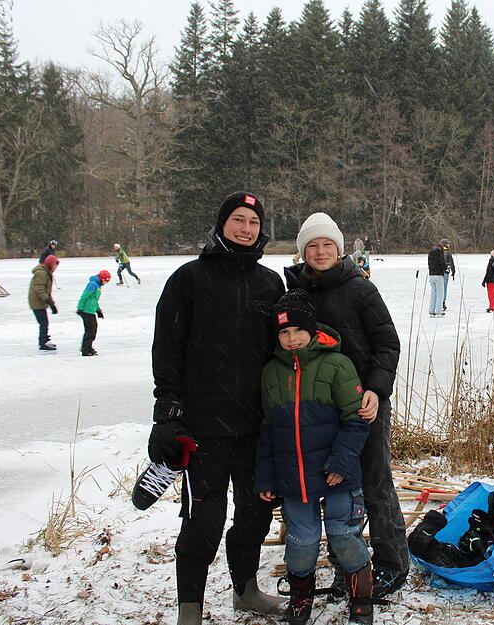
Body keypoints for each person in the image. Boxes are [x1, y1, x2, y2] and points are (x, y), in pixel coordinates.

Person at [149, 191, 286, 625]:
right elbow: (167, 349)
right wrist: (167, 410)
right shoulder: (188, 279)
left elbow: (281, 352)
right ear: (222, 223)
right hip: (203, 427)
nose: (246, 229)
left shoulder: (270, 284)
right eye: (238, 220)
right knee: (203, 521)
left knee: (254, 514)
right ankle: (190, 608)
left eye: (253, 222)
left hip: (254, 427)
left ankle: (245, 590)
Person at [285, 212, 408, 598]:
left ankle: (391, 564)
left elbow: (387, 344)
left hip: (363, 404)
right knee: (332, 487)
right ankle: (345, 567)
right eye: (312, 246)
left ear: (339, 249)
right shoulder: (295, 293)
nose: (320, 252)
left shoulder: (360, 289)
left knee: (374, 484)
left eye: (328, 245)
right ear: (302, 251)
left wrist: (376, 388)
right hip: (320, 410)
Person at [256, 289, 373, 625]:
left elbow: (356, 420)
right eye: (284, 332)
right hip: (294, 479)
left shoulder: (337, 365)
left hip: (338, 475)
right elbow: (267, 431)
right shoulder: (271, 373)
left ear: (312, 331)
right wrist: (265, 476)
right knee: (301, 541)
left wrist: (341, 461)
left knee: (344, 536)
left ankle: (361, 597)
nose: (292, 339)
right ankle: (301, 596)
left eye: (298, 331)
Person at [29, 255, 59, 351]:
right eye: (54, 265)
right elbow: (40, 289)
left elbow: (46, 290)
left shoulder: (46, 273)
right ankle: (42, 343)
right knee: (43, 322)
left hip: (39, 301)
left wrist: (51, 303)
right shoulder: (42, 273)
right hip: (37, 302)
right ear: (50, 264)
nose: (55, 268)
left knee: (44, 322)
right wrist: (48, 301)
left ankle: (45, 339)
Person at [76, 269, 110, 356]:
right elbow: (84, 296)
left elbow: (94, 300)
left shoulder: (98, 285)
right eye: (105, 280)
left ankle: (88, 347)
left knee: (93, 330)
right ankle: (85, 349)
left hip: (91, 310)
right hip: (86, 311)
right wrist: (80, 308)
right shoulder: (93, 285)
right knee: (90, 331)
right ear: (101, 278)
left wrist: (98, 310)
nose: (106, 283)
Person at [427, 241, 446, 317]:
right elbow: (442, 263)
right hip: (438, 275)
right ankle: (439, 310)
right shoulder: (439, 253)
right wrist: (445, 268)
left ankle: (431, 310)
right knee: (440, 293)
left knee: (433, 293)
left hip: (431, 275)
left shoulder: (430, 253)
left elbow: (429, 264)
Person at [441, 239, 456, 310]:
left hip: (439, 272)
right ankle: (442, 302)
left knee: (439, 288)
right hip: (445, 272)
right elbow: (451, 262)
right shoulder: (448, 252)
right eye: (448, 244)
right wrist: (453, 271)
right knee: (444, 288)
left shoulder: (439, 251)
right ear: (445, 244)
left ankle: (439, 302)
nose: (449, 245)